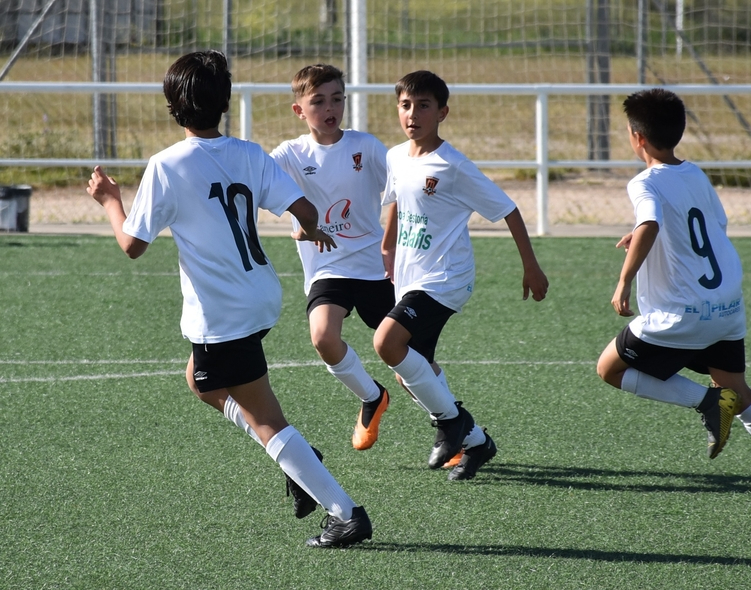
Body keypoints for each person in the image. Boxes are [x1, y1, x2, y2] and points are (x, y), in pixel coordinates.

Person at [86, 50, 372, 547]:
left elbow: (132, 245)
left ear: (174, 106)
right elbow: (303, 207)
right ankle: (297, 456)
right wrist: (311, 230)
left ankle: (343, 510)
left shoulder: (167, 165)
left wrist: (111, 199)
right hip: (259, 294)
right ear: (224, 102)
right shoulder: (248, 152)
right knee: (200, 382)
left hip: (223, 311)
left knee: (266, 418)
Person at [595, 88, 751, 507]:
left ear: (637, 138)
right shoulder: (695, 173)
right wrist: (646, 233)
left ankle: (706, 402)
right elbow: (705, 226)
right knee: (738, 391)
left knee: (609, 369)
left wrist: (624, 280)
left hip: (683, 314)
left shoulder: (644, 181)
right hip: (726, 306)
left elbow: (650, 221)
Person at [373, 70, 550, 481]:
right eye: (405, 105)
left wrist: (531, 265)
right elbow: (399, 199)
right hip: (410, 276)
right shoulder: (396, 156)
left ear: (442, 113)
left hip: (445, 278)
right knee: (411, 374)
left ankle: (451, 423)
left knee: (386, 341)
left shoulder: (453, 166)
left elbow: (508, 208)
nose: (412, 114)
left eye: (423, 105)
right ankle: (475, 441)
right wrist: (386, 246)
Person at [269, 64, 393, 455]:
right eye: (318, 101)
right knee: (323, 336)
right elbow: (257, 184)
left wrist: (392, 247)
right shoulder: (289, 154)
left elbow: (401, 194)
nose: (329, 108)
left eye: (336, 99)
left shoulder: (366, 147)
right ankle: (372, 397)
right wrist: (299, 227)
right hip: (328, 267)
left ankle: (453, 424)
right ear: (298, 110)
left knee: (411, 358)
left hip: (376, 268)